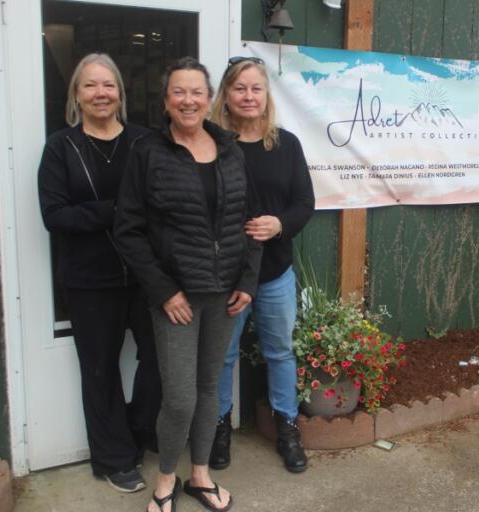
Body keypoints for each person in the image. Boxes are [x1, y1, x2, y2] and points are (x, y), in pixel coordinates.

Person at [114, 57, 262, 512]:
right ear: (166, 100)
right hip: (176, 297)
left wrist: (248, 281)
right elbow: (127, 230)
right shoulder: (149, 152)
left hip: (225, 295)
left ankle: (200, 475)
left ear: (209, 99)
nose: (188, 100)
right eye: (178, 92)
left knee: (209, 389)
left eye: (197, 92)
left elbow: (250, 222)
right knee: (178, 397)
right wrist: (163, 290)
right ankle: (165, 479)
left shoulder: (230, 149)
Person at [37, 53, 159, 493]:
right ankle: (113, 457)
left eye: (108, 85)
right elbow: (55, 215)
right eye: (90, 85)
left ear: (120, 93)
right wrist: (117, 212)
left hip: (146, 277)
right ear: (76, 95)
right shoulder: (60, 148)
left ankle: (135, 430)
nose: (100, 93)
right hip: (90, 281)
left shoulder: (145, 143)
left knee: (161, 362)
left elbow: (163, 204)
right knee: (100, 370)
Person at [209, 56, 315, 473]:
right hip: (227, 277)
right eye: (240, 88)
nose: (249, 96)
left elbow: (304, 203)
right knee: (222, 356)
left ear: (266, 95)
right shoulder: (213, 145)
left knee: (280, 353)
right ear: (226, 96)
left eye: (256, 88)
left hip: (274, 274)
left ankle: (287, 427)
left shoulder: (285, 144)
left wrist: (280, 224)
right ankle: (218, 429)